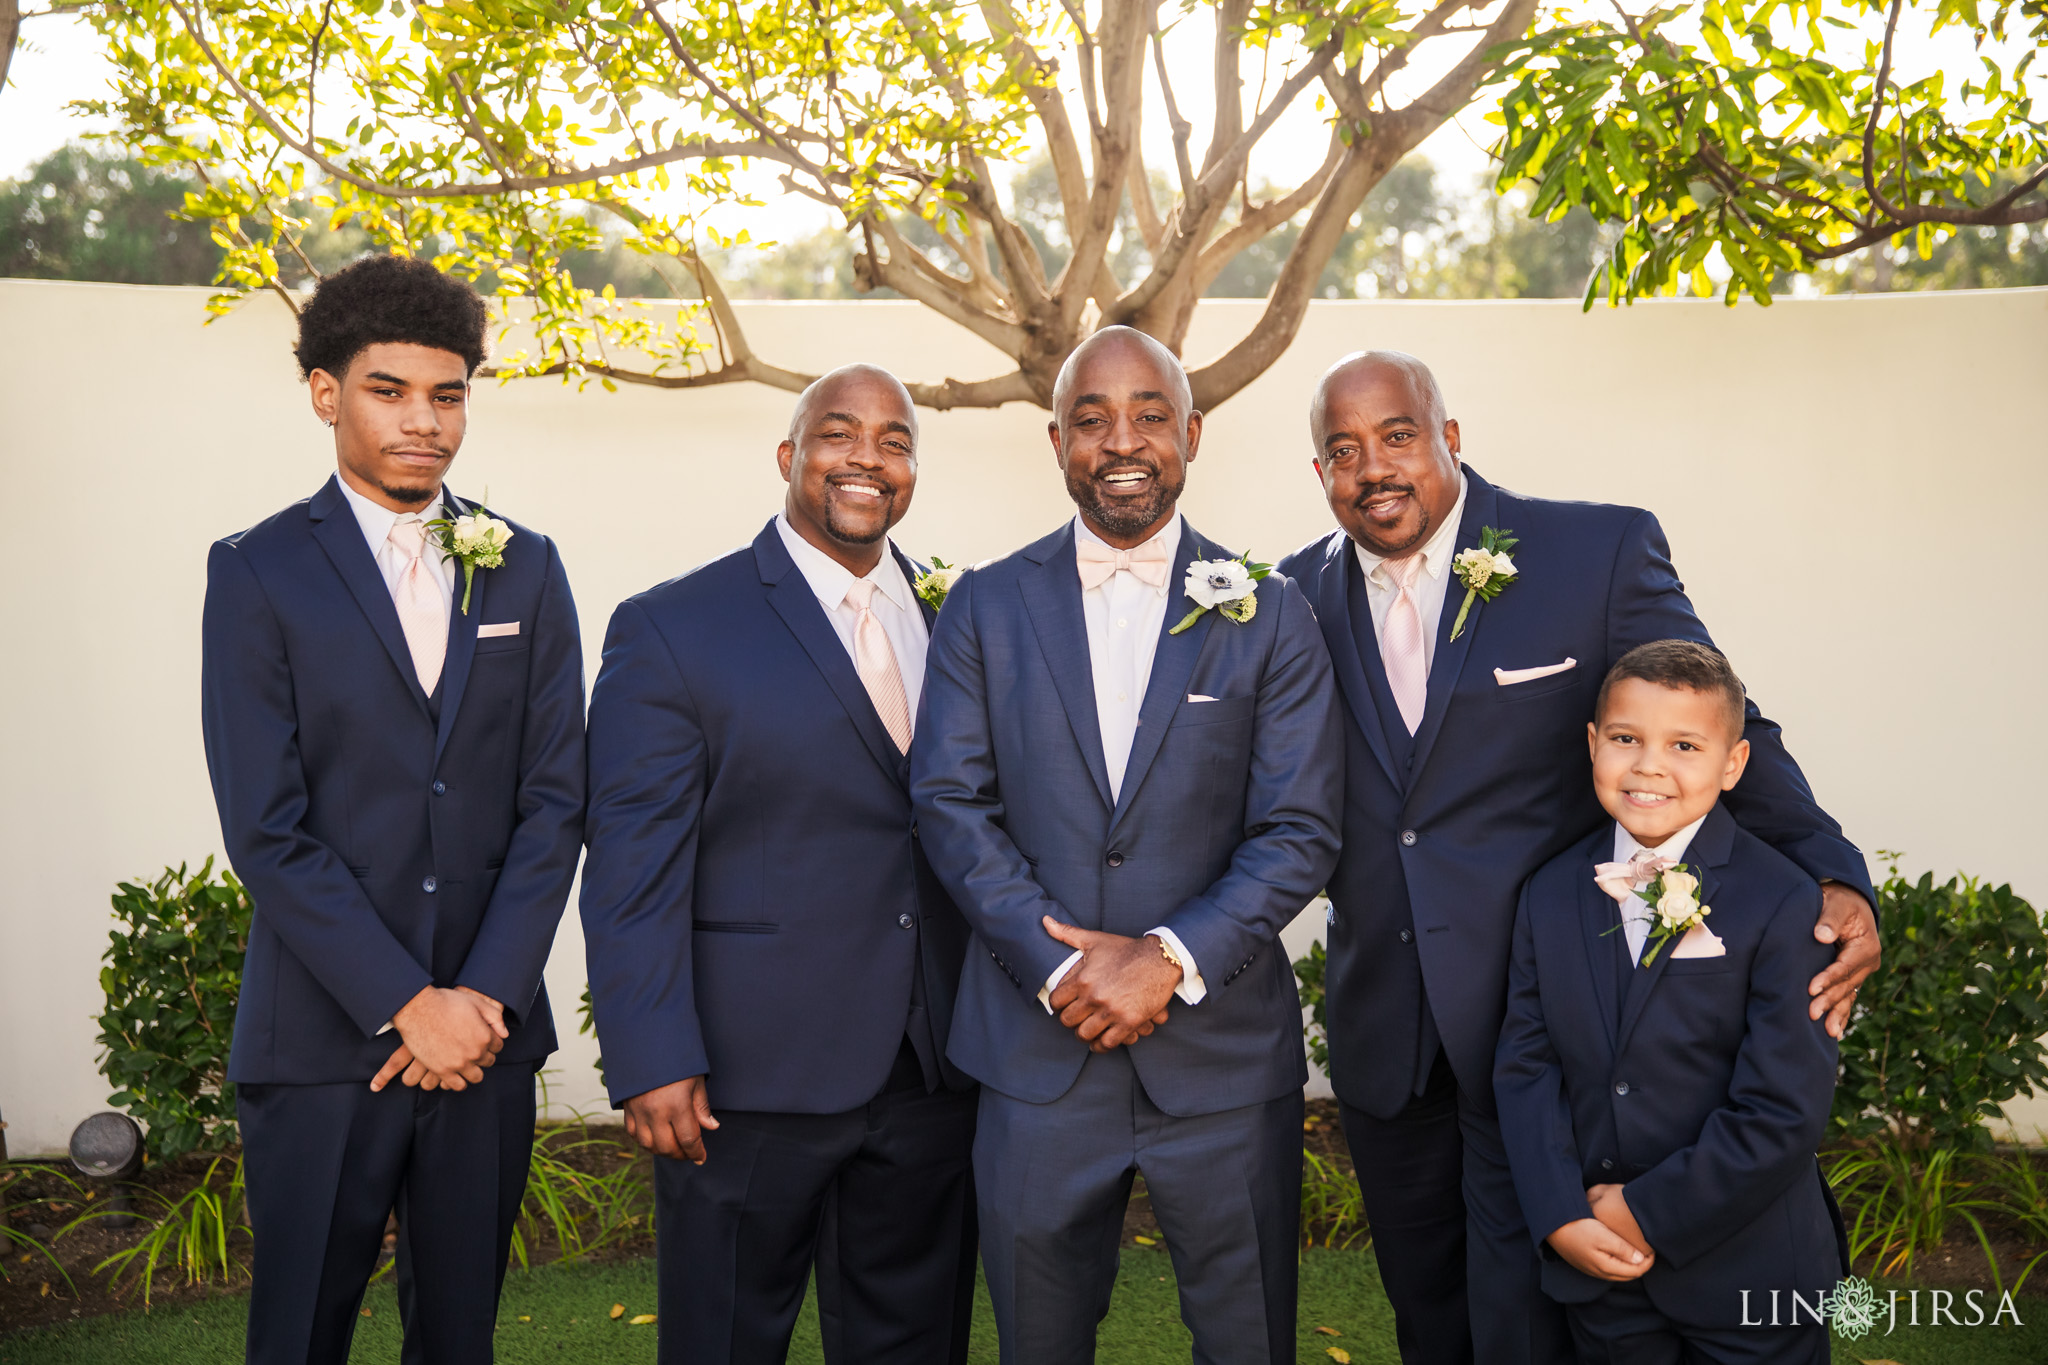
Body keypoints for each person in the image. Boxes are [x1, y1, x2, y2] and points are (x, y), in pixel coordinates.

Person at [1274, 351, 1879, 1365]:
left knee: (1537, 1312)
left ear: (1448, 438)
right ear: (1319, 472)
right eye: (1340, 450)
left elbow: (1719, 719)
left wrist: (1832, 872)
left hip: (1541, 1012)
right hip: (1387, 1027)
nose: (1371, 466)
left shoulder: (1591, 551)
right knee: (1428, 1312)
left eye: (1395, 436)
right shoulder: (1292, 596)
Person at [911, 326, 1344, 1364]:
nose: (1122, 440)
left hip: (1221, 1061)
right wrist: (1063, 964)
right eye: (1092, 419)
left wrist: (1165, 960)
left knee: (1246, 1343)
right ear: (1056, 440)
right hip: (1033, 1055)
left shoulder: (1268, 613)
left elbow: (1298, 826)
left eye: (1150, 414)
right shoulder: (982, 605)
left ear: (1190, 435)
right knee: (1038, 1342)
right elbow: (949, 803)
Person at [201, 254, 586, 1364]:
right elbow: (266, 827)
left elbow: (554, 802)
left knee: (459, 1335)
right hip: (323, 1038)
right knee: (298, 1333)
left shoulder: (525, 566)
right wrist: (404, 1001)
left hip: (486, 1040)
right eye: (390, 391)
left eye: (448, 393)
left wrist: (477, 1000)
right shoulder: (257, 572)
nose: (425, 421)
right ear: (326, 393)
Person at [579, 365, 980, 1365]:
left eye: (895, 441)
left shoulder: (959, 620)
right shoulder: (673, 627)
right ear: (788, 457)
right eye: (839, 434)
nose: (867, 458)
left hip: (928, 1068)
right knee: (724, 1341)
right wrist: (650, 1053)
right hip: (744, 1078)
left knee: (912, 1341)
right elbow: (632, 864)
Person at [1495, 640, 1846, 1365]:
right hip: (1602, 1271)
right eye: (1626, 739)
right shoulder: (1550, 891)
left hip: (1754, 1279)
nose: (1649, 765)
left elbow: (1784, 1108)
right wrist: (1561, 1213)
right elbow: (1525, 1068)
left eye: (1684, 744)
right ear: (1593, 745)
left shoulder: (1785, 898)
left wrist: (1643, 1209)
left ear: (1733, 764)